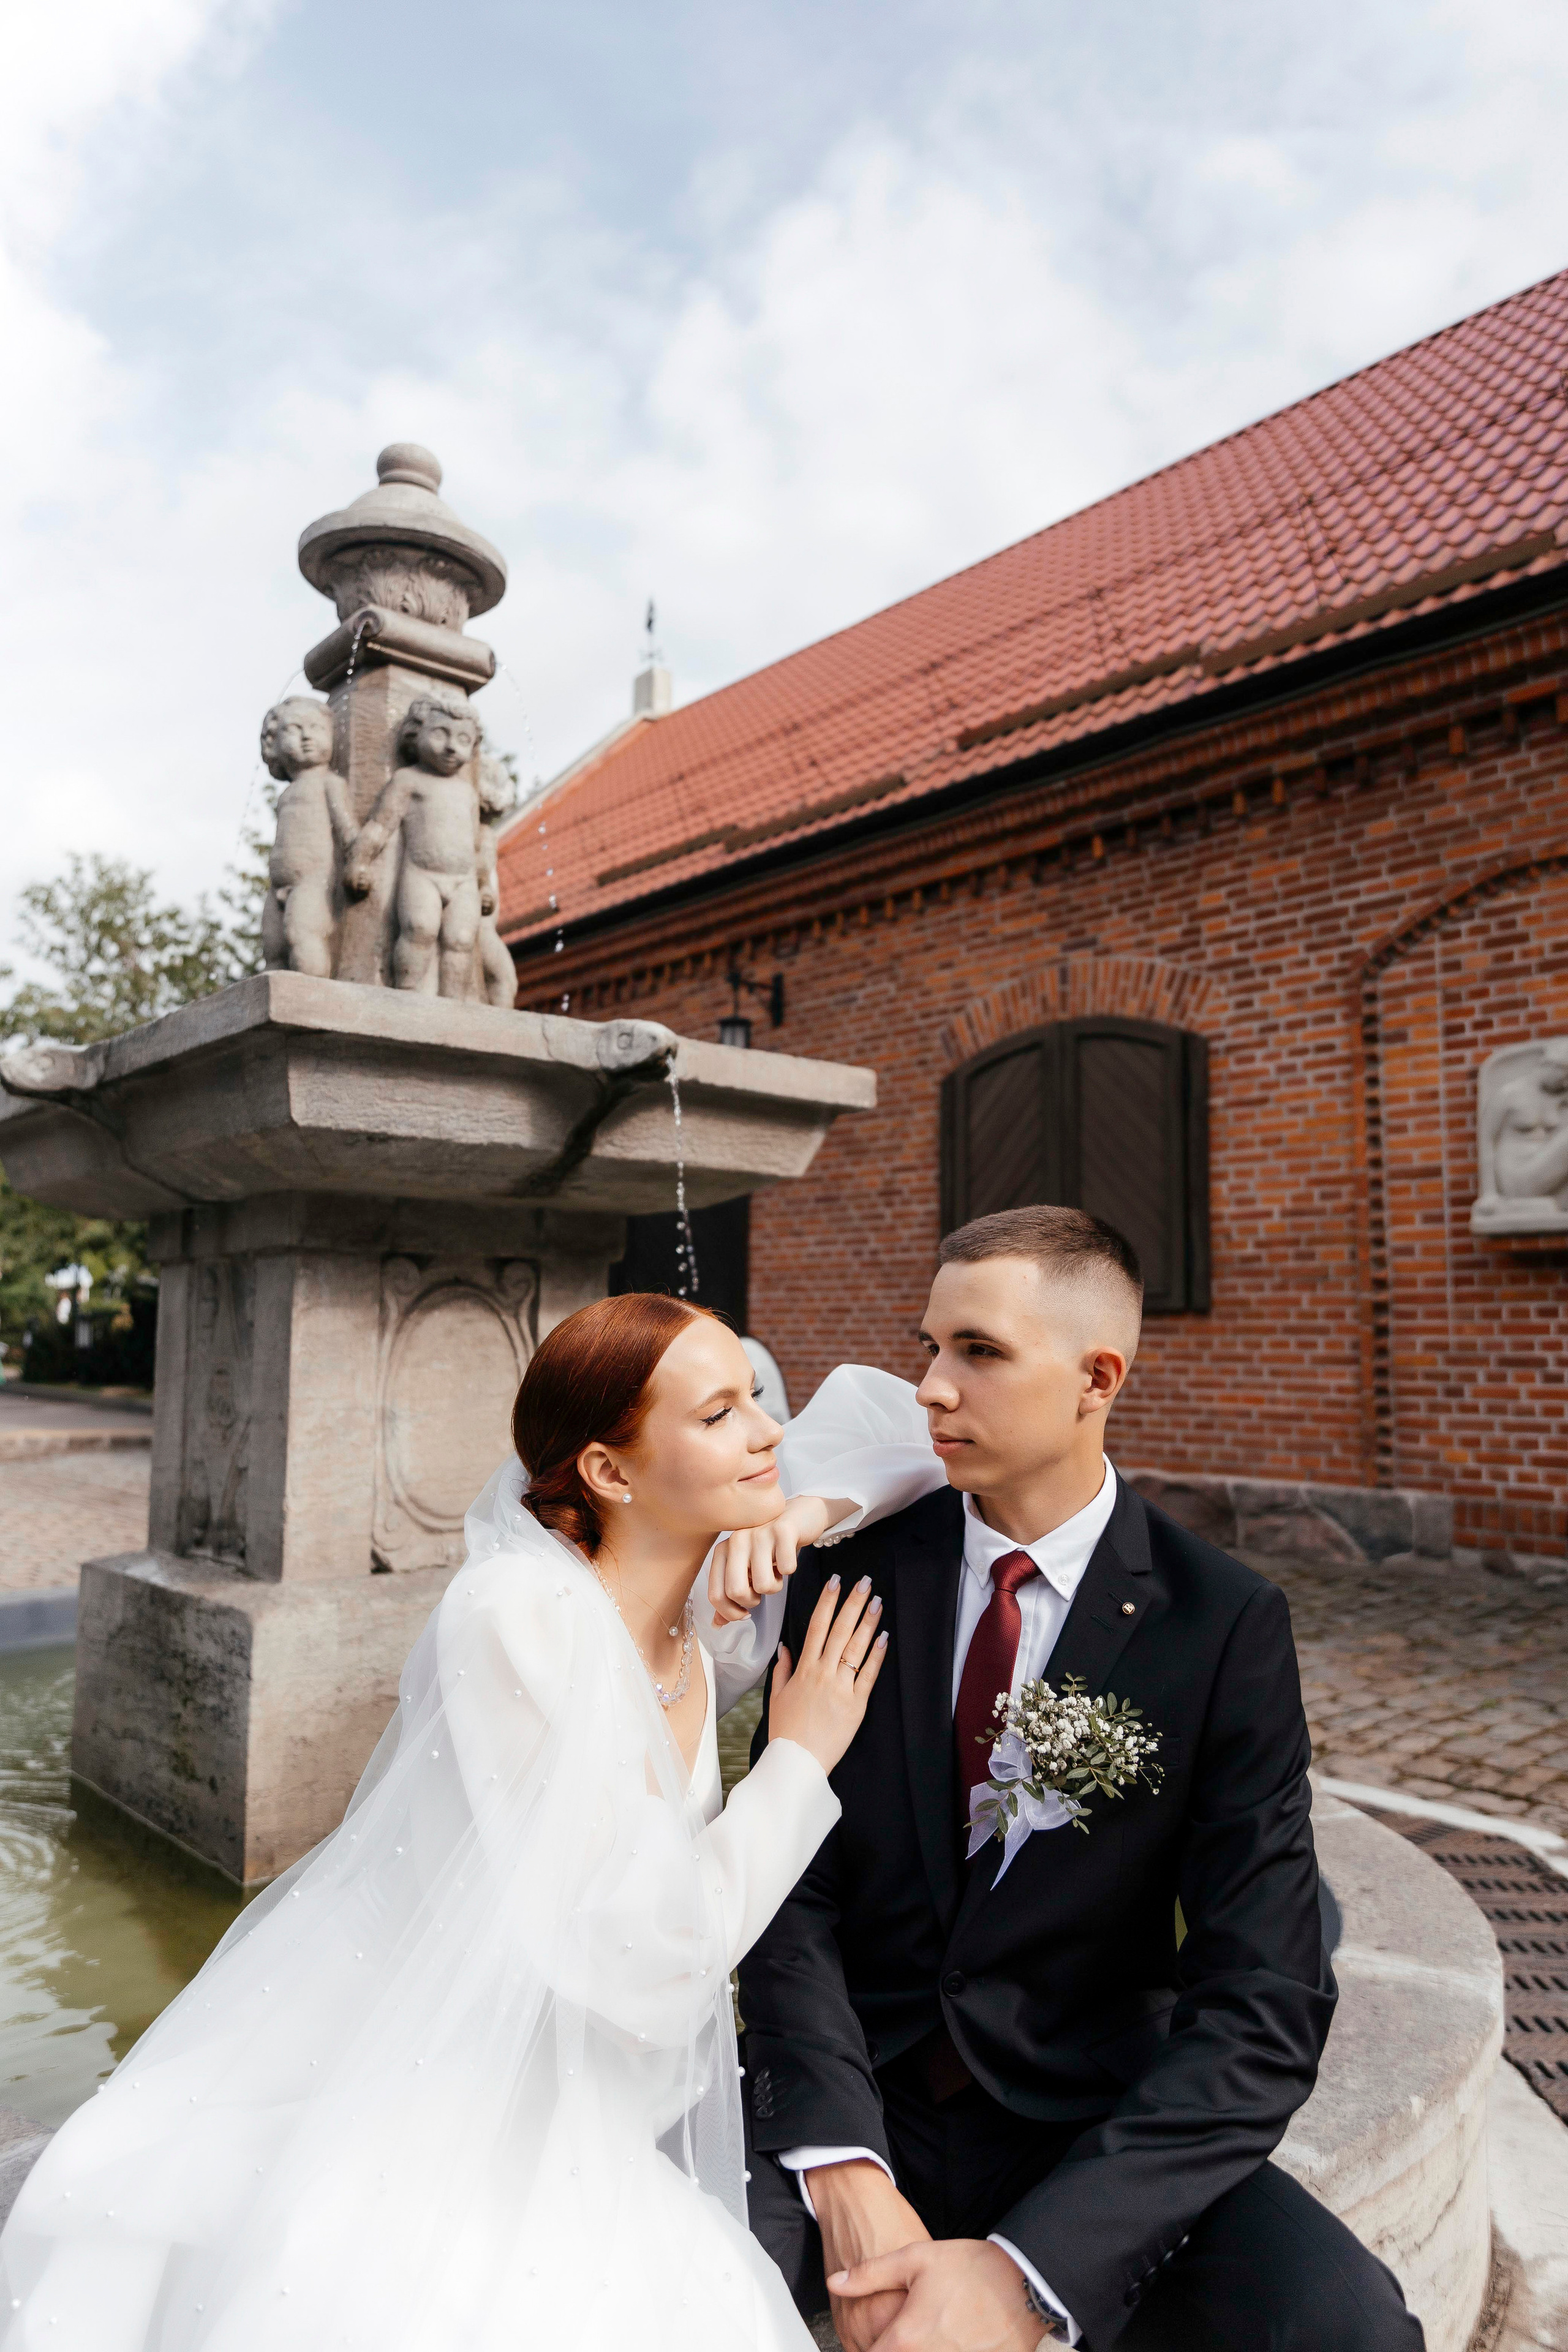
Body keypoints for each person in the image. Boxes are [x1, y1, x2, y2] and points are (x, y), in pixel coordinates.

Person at [0, 1293, 901, 2352]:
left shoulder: (707, 1632)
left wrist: (801, 1514)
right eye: (721, 1414)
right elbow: (642, 1959)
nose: (770, 1431)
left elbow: (899, 1429)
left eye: (755, 1397)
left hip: (596, 2119)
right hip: (456, 2115)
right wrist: (797, 1763)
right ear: (609, 1472)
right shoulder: (520, 1616)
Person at [718, 1205, 1424, 2352]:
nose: (931, 1388)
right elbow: (790, 1894)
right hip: (857, 2083)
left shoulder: (1221, 1623)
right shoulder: (854, 1572)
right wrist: (842, 2163)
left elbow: (1265, 1997)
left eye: (980, 1352)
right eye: (930, 1347)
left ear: (1098, 1378)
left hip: (1085, 2117)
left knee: (1347, 2329)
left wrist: (1027, 2273)